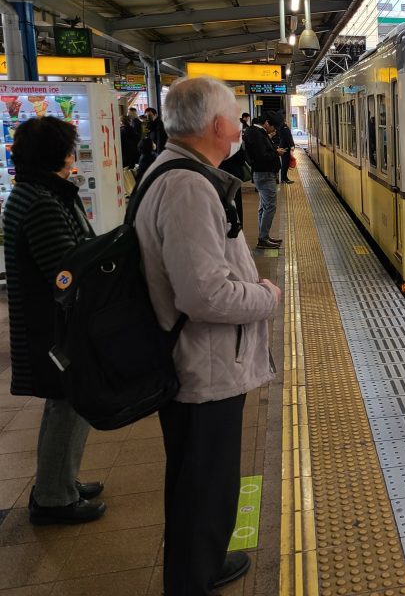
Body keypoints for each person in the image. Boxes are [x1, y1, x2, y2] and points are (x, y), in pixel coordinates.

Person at [134, 76, 281, 596]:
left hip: (203, 361)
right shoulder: (189, 187)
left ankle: (205, 559)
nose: (239, 125)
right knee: (204, 483)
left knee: (204, 480)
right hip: (204, 366)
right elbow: (205, 296)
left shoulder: (178, 173)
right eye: (234, 117)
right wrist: (267, 296)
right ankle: (193, 577)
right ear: (218, 125)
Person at [3, 117, 106, 525]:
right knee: (68, 404)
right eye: (70, 149)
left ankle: (60, 481)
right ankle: (54, 498)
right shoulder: (43, 201)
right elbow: (64, 271)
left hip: (46, 321)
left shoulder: (30, 194)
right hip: (54, 325)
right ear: (59, 155)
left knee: (63, 405)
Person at [243, 113, 285, 249]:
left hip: (262, 174)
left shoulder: (254, 132)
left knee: (264, 207)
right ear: (266, 123)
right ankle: (263, 239)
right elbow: (262, 155)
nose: (273, 130)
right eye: (272, 127)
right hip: (264, 174)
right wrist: (276, 153)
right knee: (270, 206)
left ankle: (264, 236)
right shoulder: (256, 134)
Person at [218, 146, 248, 227]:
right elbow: (241, 158)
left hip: (219, 175)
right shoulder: (234, 144)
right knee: (235, 204)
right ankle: (237, 227)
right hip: (233, 176)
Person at [277, 118, 295, 184]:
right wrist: (292, 145)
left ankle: (284, 178)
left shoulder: (281, 126)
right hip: (285, 147)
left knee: (285, 164)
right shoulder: (284, 126)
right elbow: (287, 137)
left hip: (284, 146)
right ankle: (284, 179)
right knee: (285, 164)